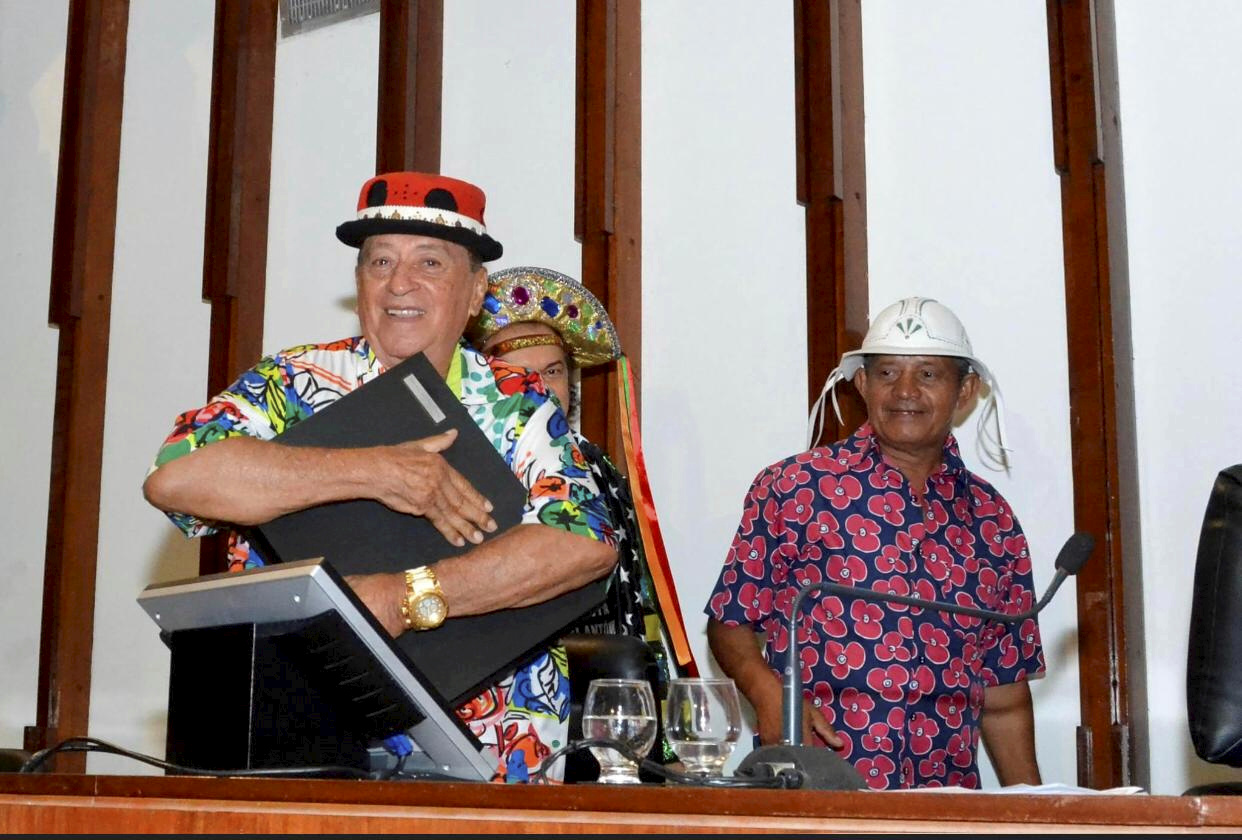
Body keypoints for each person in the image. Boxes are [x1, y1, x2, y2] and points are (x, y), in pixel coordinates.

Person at [143, 172, 618, 782]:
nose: (400, 283)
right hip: (298, 736)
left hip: (496, 748)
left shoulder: (517, 401)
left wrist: (403, 597)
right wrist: (376, 471)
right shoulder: (291, 382)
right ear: (359, 281)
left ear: (476, 291)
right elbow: (176, 478)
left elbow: (583, 544)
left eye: (429, 262)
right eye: (380, 261)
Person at [704, 296, 1044, 790]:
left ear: (965, 391)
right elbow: (730, 621)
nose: (905, 391)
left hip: (943, 804)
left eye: (928, 374)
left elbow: (1004, 696)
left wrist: (1035, 811)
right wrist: (769, 693)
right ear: (862, 383)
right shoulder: (794, 488)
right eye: (887, 373)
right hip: (815, 789)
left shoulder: (993, 520)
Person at [464, 266, 696, 764]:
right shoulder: (467, 467)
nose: (540, 388)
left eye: (553, 372)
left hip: (608, 695)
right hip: (504, 696)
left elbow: (638, 601)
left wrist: (660, 737)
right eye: (520, 375)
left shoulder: (597, 465)